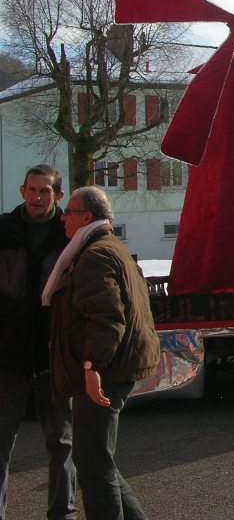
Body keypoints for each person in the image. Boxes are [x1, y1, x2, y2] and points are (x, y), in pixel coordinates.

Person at [45, 186, 159, 520]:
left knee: (94, 464)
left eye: (69, 211)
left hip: (106, 370)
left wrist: (93, 367)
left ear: (87, 217)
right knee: (95, 460)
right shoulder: (107, 247)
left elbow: (108, 317)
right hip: (113, 367)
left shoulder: (95, 254)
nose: (63, 218)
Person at [0, 165, 76, 520]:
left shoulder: (69, 235)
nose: (37, 196)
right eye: (32, 189)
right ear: (22, 191)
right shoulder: (2, 230)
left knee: (60, 445)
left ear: (58, 195)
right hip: (7, 356)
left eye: (45, 191)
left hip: (54, 356)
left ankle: (62, 514)